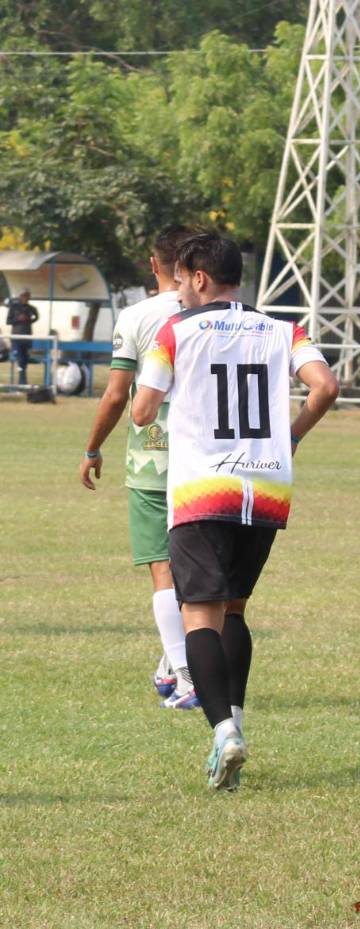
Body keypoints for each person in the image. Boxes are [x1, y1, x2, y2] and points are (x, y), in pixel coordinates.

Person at [131, 233, 339, 790]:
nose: (176, 293)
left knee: (200, 614)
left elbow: (142, 408)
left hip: (202, 487)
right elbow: (325, 385)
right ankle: (237, 720)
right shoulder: (282, 329)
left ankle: (224, 731)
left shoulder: (176, 330)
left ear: (198, 278)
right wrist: (289, 436)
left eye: (179, 282)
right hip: (264, 486)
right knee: (237, 611)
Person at [79, 225, 201, 709]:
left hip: (154, 456)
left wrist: (92, 448)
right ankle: (173, 661)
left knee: (162, 569)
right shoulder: (220, 313)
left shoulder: (138, 316)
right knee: (199, 570)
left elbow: (116, 394)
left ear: (155, 265)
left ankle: (189, 677)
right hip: (212, 458)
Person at [7, 289, 39, 384]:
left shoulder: (31, 308)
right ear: (20, 296)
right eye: (23, 296)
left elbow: (36, 317)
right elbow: (8, 321)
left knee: (25, 359)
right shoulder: (14, 307)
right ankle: (22, 381)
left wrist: (28, 320)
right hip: (16, 337)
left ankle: (23, 381)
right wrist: (18, 319)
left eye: (27, 296)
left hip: (27, 336)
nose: (25, 298)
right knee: (20, 359)